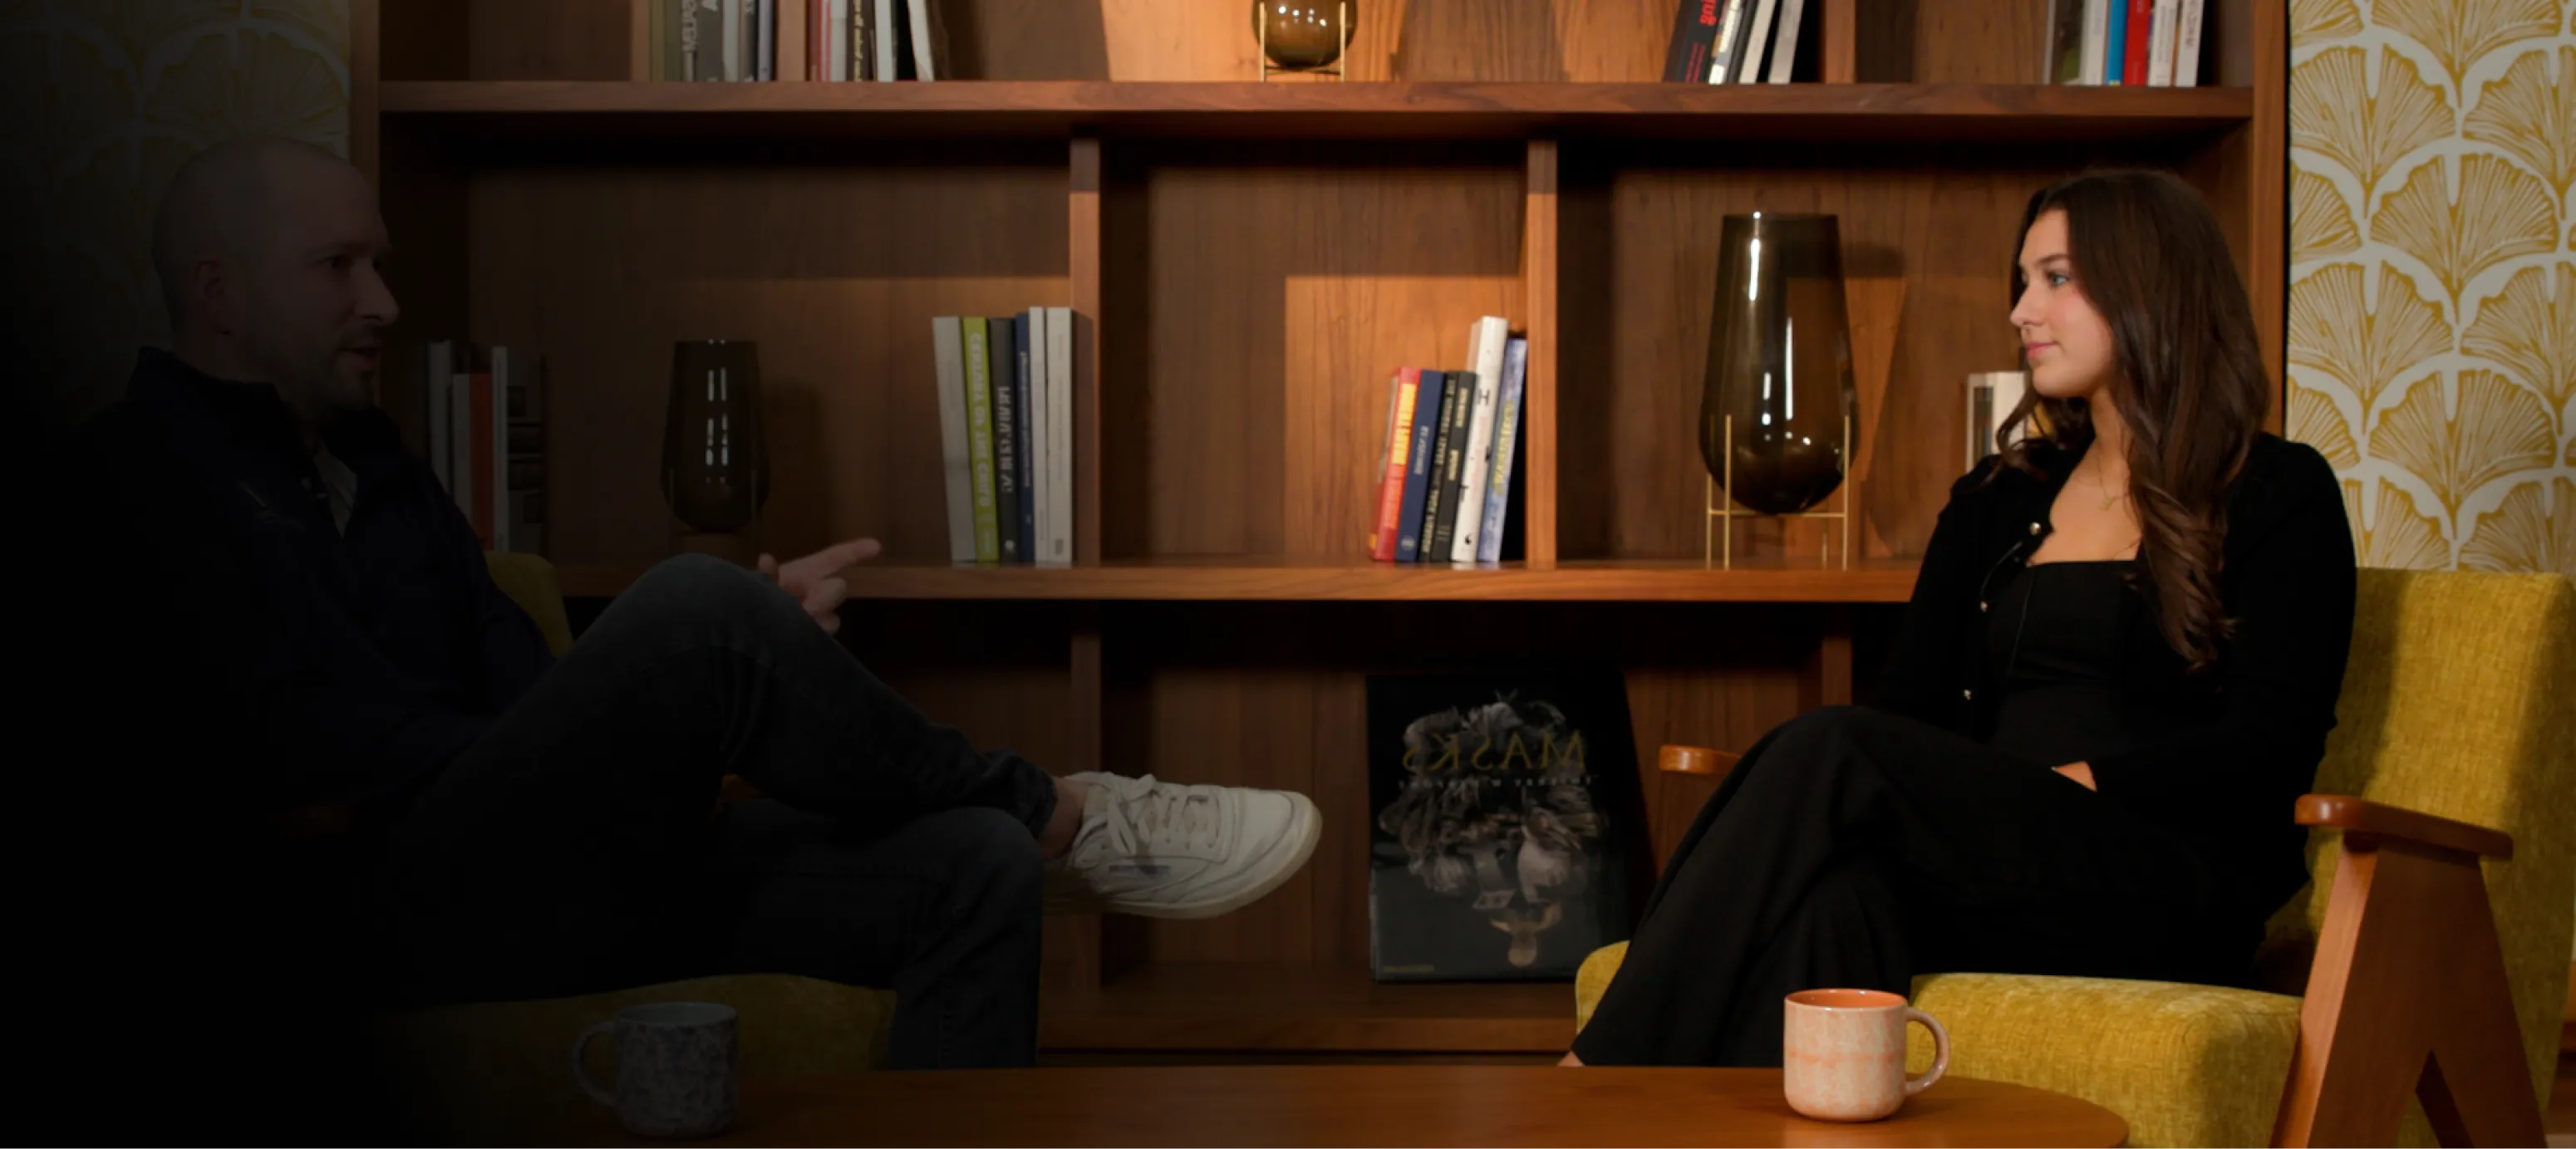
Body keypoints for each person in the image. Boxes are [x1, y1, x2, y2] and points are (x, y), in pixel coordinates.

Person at [47, 134, 1323, 1087]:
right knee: (700, 606)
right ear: (218, 293)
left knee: (967, 871)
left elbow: (518, 692)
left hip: (548, 874)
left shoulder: (376, 462)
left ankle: (1011, 837)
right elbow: (310, 752)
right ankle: (1064, 810)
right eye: (339, 266)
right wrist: (664, 697)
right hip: (356, 918)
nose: (382, 301)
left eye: (379, 261)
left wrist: (665, 709)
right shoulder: (130, 479)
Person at [1562, 169, 2357, 1067]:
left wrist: (2084, 780)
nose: (2021, 310)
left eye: (2055, 278)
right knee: (1835, 898)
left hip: (2160, 884)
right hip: (1986, 867)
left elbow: (2271, 741)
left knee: (1830, 748)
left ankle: (1599, 1073)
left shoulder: (2277, 493)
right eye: (2021, 282)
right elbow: (1907, 707)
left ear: (2150, 285)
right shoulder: (1996, 497)